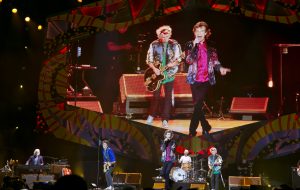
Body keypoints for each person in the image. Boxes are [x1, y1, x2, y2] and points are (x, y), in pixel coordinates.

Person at [185, 21, 231, 136]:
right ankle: (205, 127)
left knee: (198, 104)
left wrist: (220, 68)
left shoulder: (211, 45)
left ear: (206, 33)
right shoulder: (189, 44)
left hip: (206, 79)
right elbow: (189, 60)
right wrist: (195, 45)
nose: (199, 33)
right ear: (194, 32)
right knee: (198, 105)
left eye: (202, 31)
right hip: (194, 79)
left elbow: (215, 61)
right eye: (197, 31)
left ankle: (193, 131)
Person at [146, 25, 182, 128]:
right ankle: (151, 116)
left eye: (167, 33)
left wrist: (173, 64)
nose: (165, 36)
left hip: (169, 74)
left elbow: (179, 59)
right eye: (162, 34)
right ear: (159, 35)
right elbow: (149, 59)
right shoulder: (154, 44)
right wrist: (154, 69)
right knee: (156, 96)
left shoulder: (175, 44)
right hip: (157, 73)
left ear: (170, 34)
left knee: (168, 97)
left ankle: (165, 119)